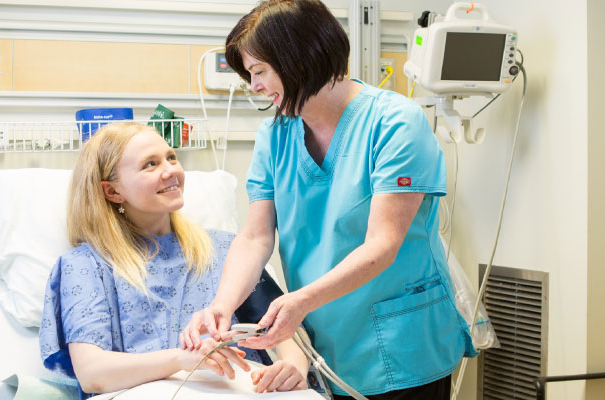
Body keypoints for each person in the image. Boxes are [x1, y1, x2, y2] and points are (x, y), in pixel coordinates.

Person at [180, 1, 478, 399]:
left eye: (259, 72)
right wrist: (221, 304)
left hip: (402, 341)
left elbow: (383, 244)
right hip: (327, 341)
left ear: (299, 57)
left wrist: (299, 301)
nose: (254, 87)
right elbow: (254, 237)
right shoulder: (276, 137)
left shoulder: (395, 123)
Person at [38, 122, 309, 398]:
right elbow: (93, 374)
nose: (171, 171)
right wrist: (181, 360)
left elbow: (286, 325)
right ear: (113, 192)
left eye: (171, 158)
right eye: (150, 165)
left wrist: (293, 366)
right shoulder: (85, 266)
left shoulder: (227, 249)